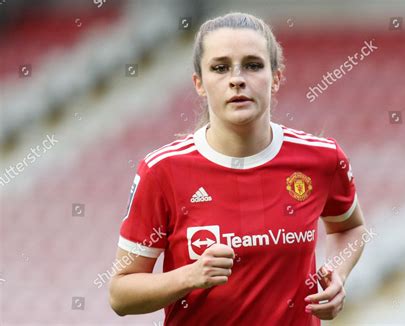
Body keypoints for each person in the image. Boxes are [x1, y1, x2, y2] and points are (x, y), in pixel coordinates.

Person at [109, 12, 366, 325]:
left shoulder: (321, 159)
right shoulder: (163, 171)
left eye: (253, 65)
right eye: (220, 68)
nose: (237, 79)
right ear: (199, 84)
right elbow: (121, 294)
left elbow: (349, 226)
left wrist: (336, 275)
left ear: (276, 77)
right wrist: (190, 276)